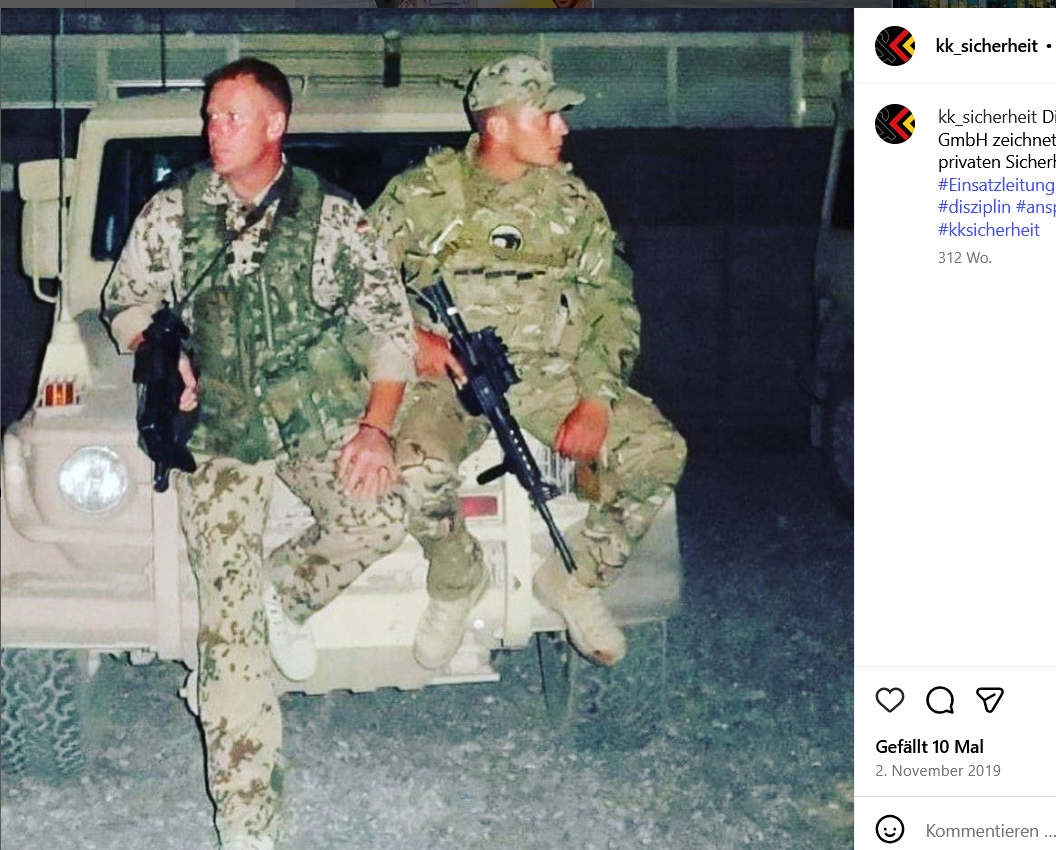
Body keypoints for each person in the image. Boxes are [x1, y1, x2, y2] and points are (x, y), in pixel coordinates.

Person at [101, 58, 415, 850]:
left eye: (232, 117)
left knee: (380, 516)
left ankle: (286, 594)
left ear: (276, 126)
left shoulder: (333, 216)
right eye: (210, 116)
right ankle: (247, 824)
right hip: (218, 436)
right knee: (229, 635)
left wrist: (375, 428)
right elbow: (125, 301)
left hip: (311, 418)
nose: (214, 131)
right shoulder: (173, 210)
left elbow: (389, 328)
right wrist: (159, 351)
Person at [369, 54, 686, 671]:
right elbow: (354, 286)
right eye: (546, 115)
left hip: (547, 374)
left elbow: (611, 304)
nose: (562, 127)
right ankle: (458, 578)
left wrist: (596, 397)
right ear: (498, 126)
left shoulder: (574, 203)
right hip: (450, 374)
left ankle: (576, 578)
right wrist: (410, 336)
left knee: (659, 452)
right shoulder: (420, 196)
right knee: (417, 468)